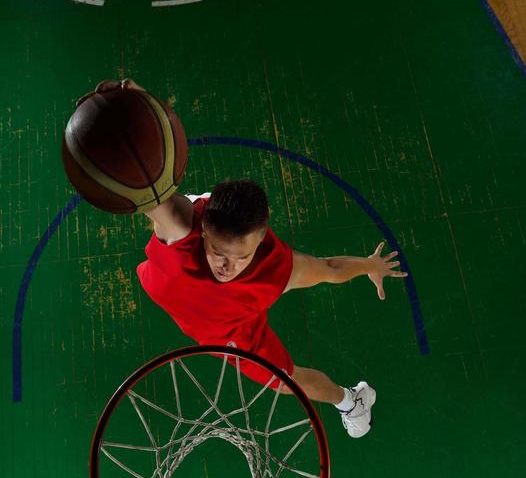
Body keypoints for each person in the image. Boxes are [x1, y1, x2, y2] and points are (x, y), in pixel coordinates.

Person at [137, 178, 407, 438]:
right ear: (205, 230)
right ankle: (200, 201)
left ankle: (352, 400)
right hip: (175, 278)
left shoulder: (276, 270)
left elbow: (330, 269)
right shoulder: (181, 227)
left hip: (233, 328)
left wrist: (371, 265)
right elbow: (134, 186)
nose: (226, 267)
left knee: (286, 382)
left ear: (261, 239)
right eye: (218, 252)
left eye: (241, 257)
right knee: (168, 211)